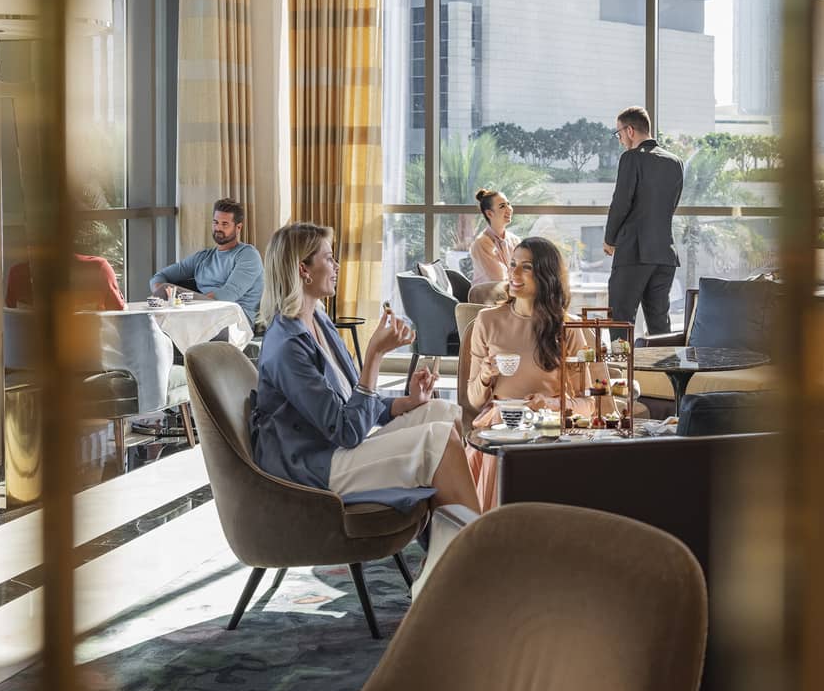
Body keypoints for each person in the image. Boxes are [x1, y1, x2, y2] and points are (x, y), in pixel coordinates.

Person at [251, 222, 481, 515]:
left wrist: (408, 402)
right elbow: (346, 430)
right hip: (314, 466)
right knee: (439, 441)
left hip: (338, 448)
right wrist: (375, 355)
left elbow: (353, 400)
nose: (336, 266)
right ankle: (479, 538)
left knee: (443, 412)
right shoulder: (287, 346)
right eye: (328, 258)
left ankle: (453, 537)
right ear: (303, 270)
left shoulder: (319, 321)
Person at [465, 237, 615, 510]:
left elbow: (590, 405)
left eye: (526, 267)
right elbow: (474, 401)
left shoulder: (568, 328)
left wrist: (548, 404)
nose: (514, 272)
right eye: (512, 264)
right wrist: (485, 376)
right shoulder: (487, 320)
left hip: (547, 431)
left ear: (546, 276)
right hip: (501, 429)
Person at [604, 106, 684, 335]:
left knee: (621, 319)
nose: (620, 139)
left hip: (634, 251)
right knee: (659, 324)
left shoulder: (631, 158)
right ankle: (665, 360)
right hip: (665, 254)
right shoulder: (675, 161)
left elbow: (621, 203)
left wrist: (610, 239)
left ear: (629, 130)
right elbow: (670, 205)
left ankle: (620, 361)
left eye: (619, 133)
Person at [150, 198, 264, 322]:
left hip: (236, 319)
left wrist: (183, 303)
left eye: (225, 224)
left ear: (238, 227)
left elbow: (227, 295)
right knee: (155, 314)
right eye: (215, 222)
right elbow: (159, 276)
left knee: (166, 317)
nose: (218, 228)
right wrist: (161, 293)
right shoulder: (203, 257)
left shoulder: (248, 255)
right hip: (202, 314)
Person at [469, 188, 520, 287]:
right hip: (487, 295)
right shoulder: (481, 244)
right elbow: (498, 279)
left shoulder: (515, 240)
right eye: (502, 206)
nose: (509, 209)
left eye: (508, 204)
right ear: (489, 213)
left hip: (510, 292)